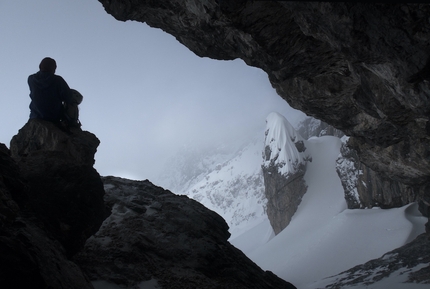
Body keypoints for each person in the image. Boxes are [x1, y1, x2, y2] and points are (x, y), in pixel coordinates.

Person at [28, 57, 82, 128]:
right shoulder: (58, 80)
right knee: (74, 99)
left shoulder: (31, 79)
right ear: (54, 69)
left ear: (40, 66)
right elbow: (68, 96)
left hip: (35, 115)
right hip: (53, 116)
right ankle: (72, 124)